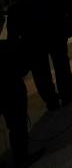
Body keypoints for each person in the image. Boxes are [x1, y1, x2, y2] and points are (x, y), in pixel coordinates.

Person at [6, 0, 72, 111]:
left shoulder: (16, 7)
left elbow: (13, 34)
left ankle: (51, 100)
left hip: (33, 42)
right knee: (61, 63)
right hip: (57, 35)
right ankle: (66, 93)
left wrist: (16, 50)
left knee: (40, 72)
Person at [0, 26, 39, 167]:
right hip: (12, 93)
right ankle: (21, 158)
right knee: (17, 127)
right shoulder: (6, 48)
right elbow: (23, 68)